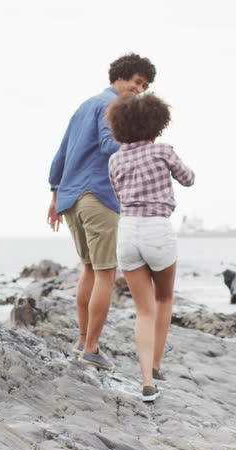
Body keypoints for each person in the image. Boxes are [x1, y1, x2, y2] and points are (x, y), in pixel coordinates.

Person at [47, 53, 156, 371]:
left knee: (90, 270)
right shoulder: (114, 105)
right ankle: (91, 348)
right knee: (106, 272)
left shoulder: (85, 105)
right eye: (137, 82)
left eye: (145, 86)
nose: (139, 89)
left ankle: (82, 341)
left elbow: (61, 153)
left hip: (71, 198)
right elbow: (110, 145)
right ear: (121, 76)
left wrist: (55, 196)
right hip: (98, 196)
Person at [107, 93, 195, 400]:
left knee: (143, 311)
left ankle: (147, 382)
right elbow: (189, 179)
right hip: (157, 227)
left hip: (127, 230)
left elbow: (119, 195)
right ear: (156, 122)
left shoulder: (115, 158)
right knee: (165, 298)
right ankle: (157, 364)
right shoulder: (162, 151)